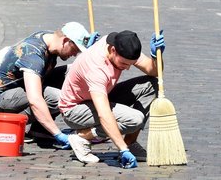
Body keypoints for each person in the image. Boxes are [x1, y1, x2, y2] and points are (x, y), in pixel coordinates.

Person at [59, 30, 165, 167]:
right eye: (124, 64)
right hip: (75, 110)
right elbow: (104, 114)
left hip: (101, 95)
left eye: (130, 64)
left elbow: (154, 71)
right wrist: (122, 149)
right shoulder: (96, 68)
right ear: (113, 50)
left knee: (152, 84)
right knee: (135, 119)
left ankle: (130, 142)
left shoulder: (123, 46)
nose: (126, 69)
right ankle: (81, 137)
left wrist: (156, 56)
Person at [0, 22, 95, 147]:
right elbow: (35, 99)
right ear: (66, 41)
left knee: (75, 71)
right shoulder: (33, 54)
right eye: (75, 49)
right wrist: (58, 134)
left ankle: (40, 130)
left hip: (26, 85)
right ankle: (11, 123)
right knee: (59, 98)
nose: (75, 54)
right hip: (4, 97)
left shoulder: (50, 38)